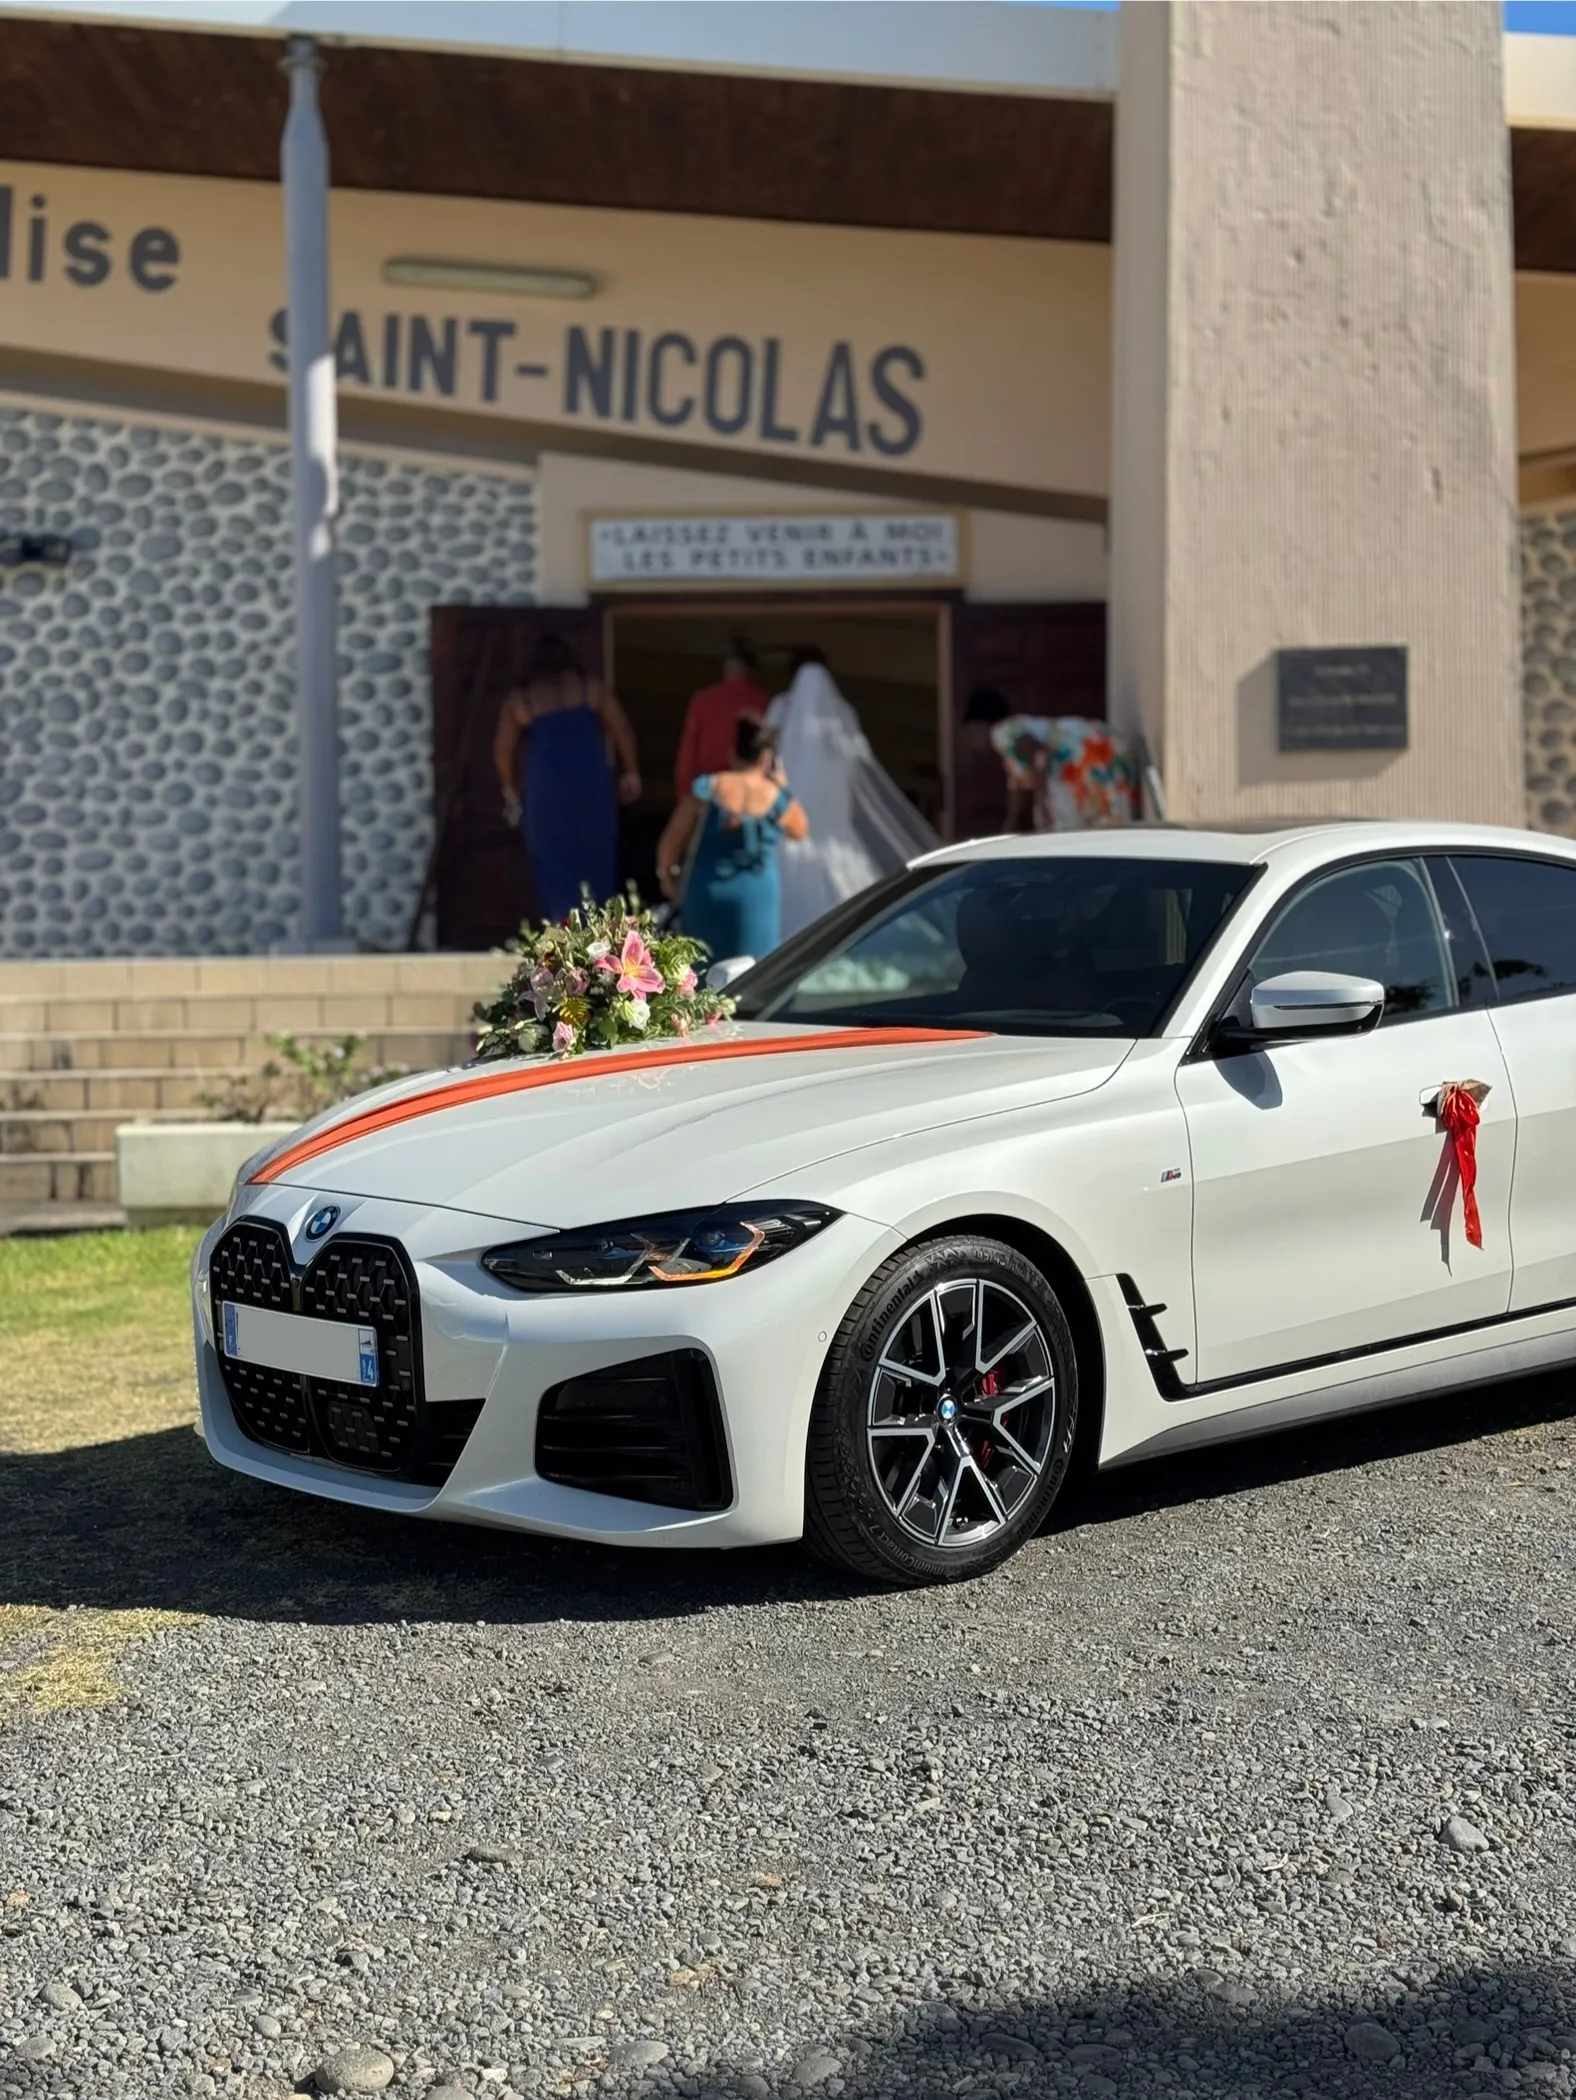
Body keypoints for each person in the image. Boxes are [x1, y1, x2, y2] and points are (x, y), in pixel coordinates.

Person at [764, 648, 940, 941]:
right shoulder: (841, 712)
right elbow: (857, 756)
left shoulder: (782, 705)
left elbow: (766, 744)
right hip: (832, 800)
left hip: (793, 799)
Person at [493, 632, 641, 924]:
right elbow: (622, 730)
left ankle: (562, 929)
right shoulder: (590, 689)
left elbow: (502, 749)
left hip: (546, 793)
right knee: (596, 860)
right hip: (590, 788)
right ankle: (600, 930)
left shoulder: (522, 700)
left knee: (553, 864)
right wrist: (631, 773)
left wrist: (509, 791)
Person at [655, 717, 808, 961]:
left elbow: (670, 843)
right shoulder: (777, 796)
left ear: (733, 753)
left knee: (699, 973)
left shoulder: (709, 787)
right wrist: (783, 784)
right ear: (766, 758)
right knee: (757, 973)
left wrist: (668, 877)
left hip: (705, 894)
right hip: (756, 900)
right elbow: (800, 830)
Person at [673, 637, 768, 799]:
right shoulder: (763, 702)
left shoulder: (703, 700)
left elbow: (688, 749)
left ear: (726, 665)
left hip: (709, 788)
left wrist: (684, 789)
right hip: (748, 790)